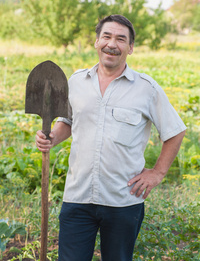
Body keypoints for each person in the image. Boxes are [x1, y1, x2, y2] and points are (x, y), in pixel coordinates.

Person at [36, 14, 186, 261]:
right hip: (77, 196)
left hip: (123, 200)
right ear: (97, 42)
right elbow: (68, 121)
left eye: (120, 39)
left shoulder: (146, 89)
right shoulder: (76, 82)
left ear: (130, 48)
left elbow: (175, 130)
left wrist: (157, 172)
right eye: (106, 36)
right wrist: (51, 138)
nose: (112, 44)